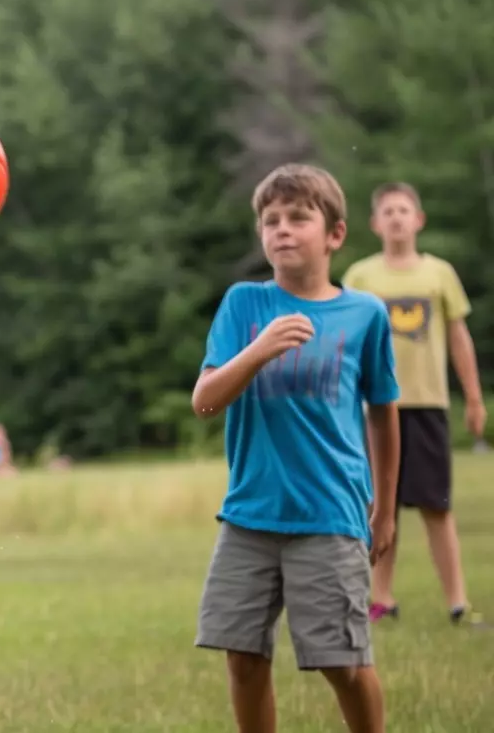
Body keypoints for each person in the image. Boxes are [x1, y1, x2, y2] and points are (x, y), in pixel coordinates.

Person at [190, 164, 400, 733]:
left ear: (334, 234)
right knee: (243, 656)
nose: (281, 229)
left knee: (343, 661)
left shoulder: (365, 315)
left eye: (298, 218)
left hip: (330, 514)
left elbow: (383, 413)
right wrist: (257, 350)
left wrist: (384, 511)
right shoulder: (243, 305)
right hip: (249, 514)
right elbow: (205, 402)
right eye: (270, 220)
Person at [341, 181, 485, 625]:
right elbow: (343, 340)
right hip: (375, 407)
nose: (397, 217)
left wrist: (474, 397)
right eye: (388, 211)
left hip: (427, 404)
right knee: (380, 504)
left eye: (404, 210)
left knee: (436, 504)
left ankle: (457, 602)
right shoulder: (361, 277)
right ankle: (380, 598)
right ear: (375, 223)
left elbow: (459, 339)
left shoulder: (438, 273)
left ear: (418, 220)